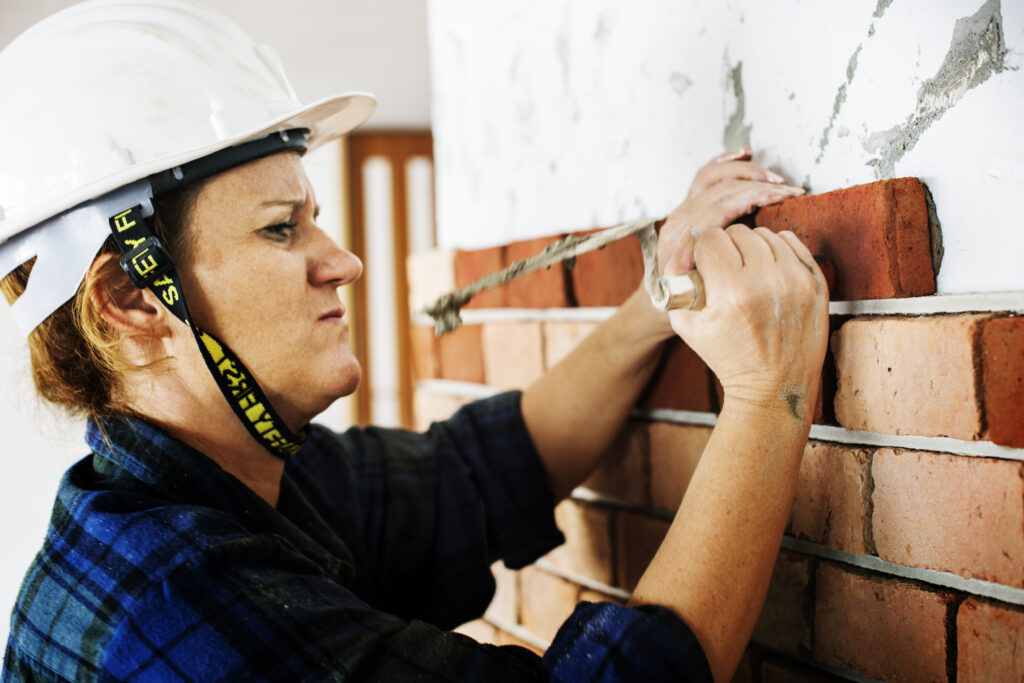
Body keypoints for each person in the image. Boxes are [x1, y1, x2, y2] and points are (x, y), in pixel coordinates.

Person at [0, 1, 827, 681]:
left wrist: (659, 296)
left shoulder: (248, 480)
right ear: (133, 299)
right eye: (281, 230)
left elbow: (486, 468)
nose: (345, 262)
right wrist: (771, 396)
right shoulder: (173, 603)